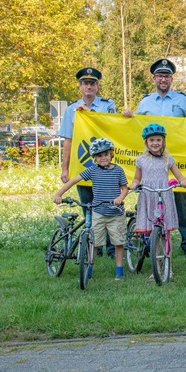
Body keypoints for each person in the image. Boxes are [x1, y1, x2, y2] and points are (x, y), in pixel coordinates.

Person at [122, 58, 186, 258]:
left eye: (166, 76)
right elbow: (135, 126)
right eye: (159, 76)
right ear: (154, 78)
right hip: (150, 161)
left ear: (171, 79)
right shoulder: (146, 101)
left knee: (181, 201)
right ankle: (148, 240)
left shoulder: (182, 100)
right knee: (148, 199)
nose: (163, 79)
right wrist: (129, 117)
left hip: (176, 159)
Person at [59, 67, 117, 256]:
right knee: (88, 206)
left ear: (97, 86)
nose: (89, 86)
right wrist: (65, 169)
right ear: (80, 86)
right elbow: (68, 140)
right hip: (83, 164)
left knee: (108, 205)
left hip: (106, 166)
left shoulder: (108, 106)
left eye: (92, 83)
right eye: (85, 83)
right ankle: (93, 245)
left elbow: (116, 129)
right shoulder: (71, 110)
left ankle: (110, 246)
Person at [54, 138, 129, 280]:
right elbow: (73, 181)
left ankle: (119, 270)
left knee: (118, 242)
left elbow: (124, 188)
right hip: (98, 212)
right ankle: (89, 267)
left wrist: (120, 198)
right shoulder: (92, 170)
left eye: (106, 154)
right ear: (95, 158)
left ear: (111, 154)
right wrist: (59, 193)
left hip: (115, 213)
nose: (103, 158)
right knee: (94, 242)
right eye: (99, 156)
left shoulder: (118, 170)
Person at [128, 123, 186, 279]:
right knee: (153, 233)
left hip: (164, 196)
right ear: (146, 143)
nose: (155, 143)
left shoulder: (168, 160)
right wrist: (134, 184)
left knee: (166, 232)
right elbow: (137, 177)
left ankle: (168, 267)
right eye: (152, 140)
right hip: (148, 195)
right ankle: (156, 266)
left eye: (158, 140)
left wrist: (182, 180)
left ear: (163, 141)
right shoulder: (141, 160)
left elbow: (178, 175)